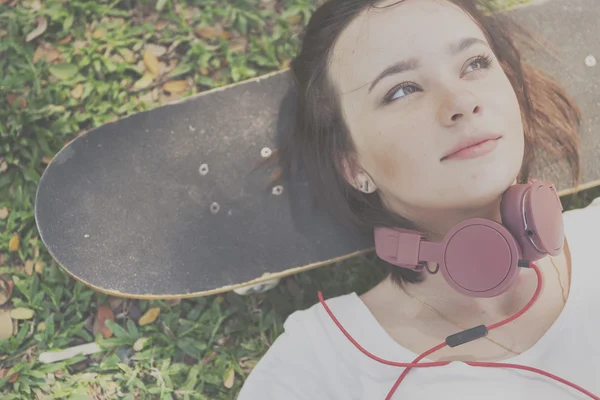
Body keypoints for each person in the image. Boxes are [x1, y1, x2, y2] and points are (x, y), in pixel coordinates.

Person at [237, 0, 600, 398]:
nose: (461, 101)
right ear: (353, 166)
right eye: (402, 90)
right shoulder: (319, 368)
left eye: (475, 63)